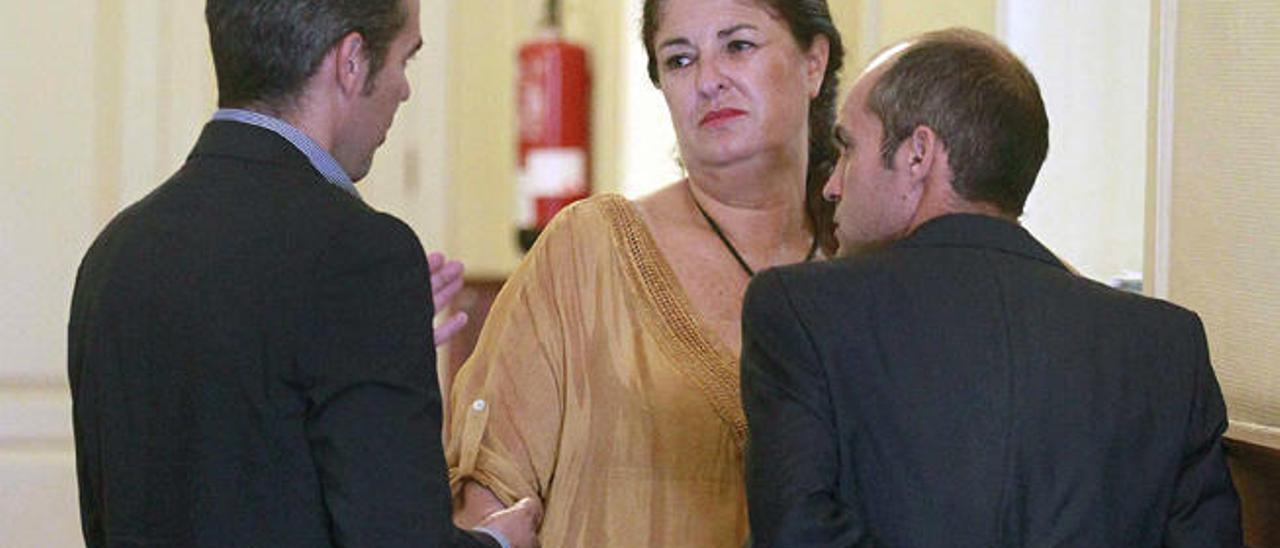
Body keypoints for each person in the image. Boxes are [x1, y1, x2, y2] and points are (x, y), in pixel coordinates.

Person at [739, 28, 1242, 547]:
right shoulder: (1166, 345)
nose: (832, 185)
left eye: (848, 149)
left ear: (918, 155)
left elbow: (798, 536)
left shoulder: (800, 311)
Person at [67, 1, 540, 546]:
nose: (405, 90)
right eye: (404, 61)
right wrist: (499, 542)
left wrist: (375, 341)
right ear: (352, 61)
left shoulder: (115, 254)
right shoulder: (360, 255)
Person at [445, 0, 843, 545]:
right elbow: (484, 501)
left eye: (738, 46)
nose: (708, 80)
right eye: (679, 60)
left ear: (813, 63)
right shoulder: (588, 252)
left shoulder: (862, 270)